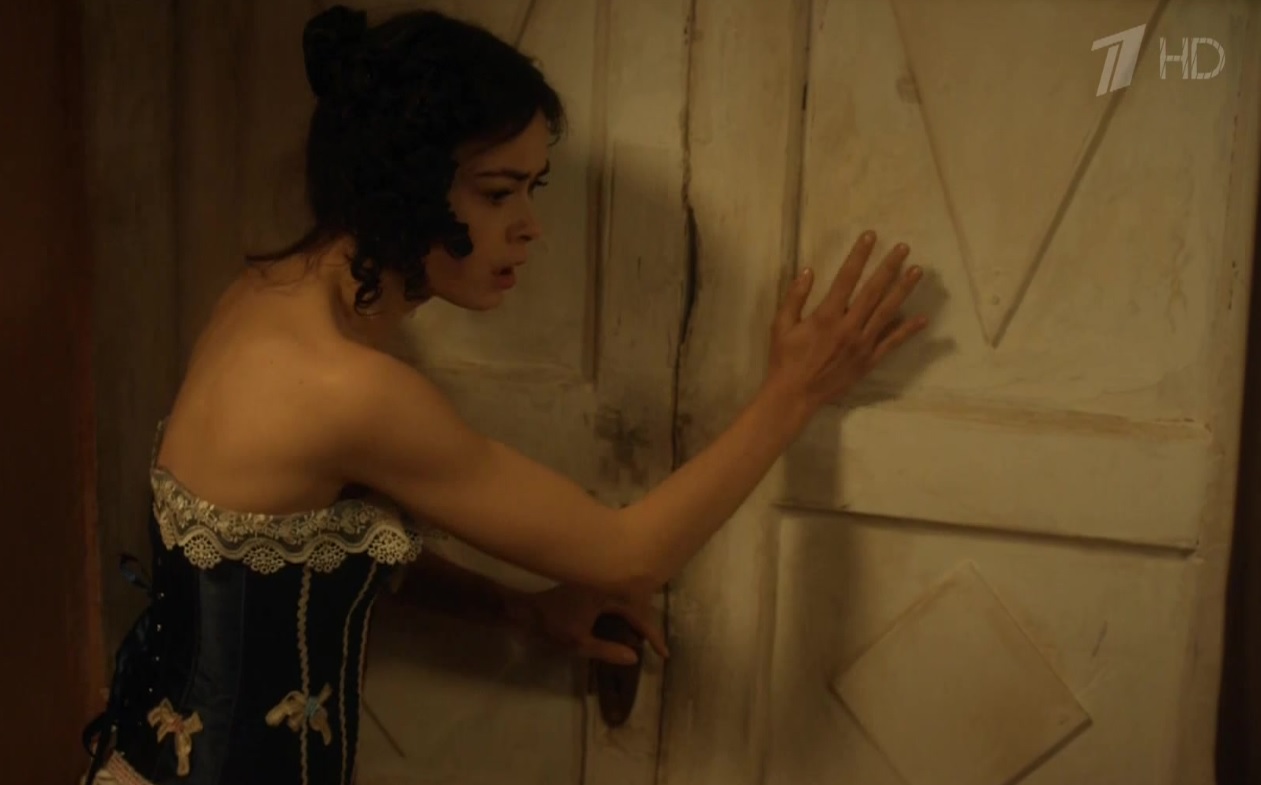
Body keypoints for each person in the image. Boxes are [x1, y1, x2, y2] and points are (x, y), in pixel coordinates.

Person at [80, 4, 927, 785]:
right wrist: (794, 390)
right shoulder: (346, 386)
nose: (529, 226)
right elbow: (630, 553)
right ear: (402, 182)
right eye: (496, 192)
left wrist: (520, 612)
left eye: (533, 186)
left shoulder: (264, 296)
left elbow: (307, 544)